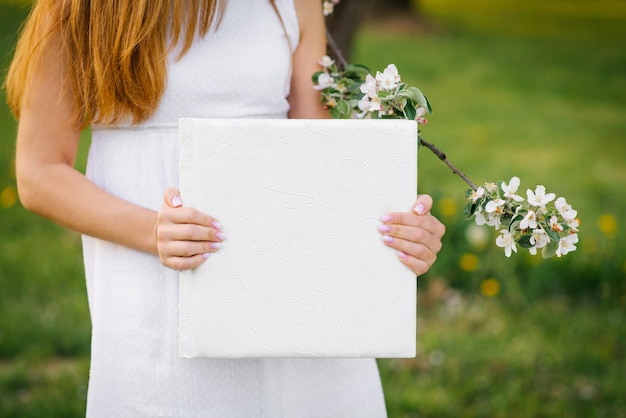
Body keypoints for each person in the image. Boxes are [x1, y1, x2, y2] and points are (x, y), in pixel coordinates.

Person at [6, 0, 445, 416]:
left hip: (297, 306)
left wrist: (398, 230)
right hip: (159, 302)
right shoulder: (84, 8)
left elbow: (319, 160)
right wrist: (153, 230)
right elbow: (38, 172)